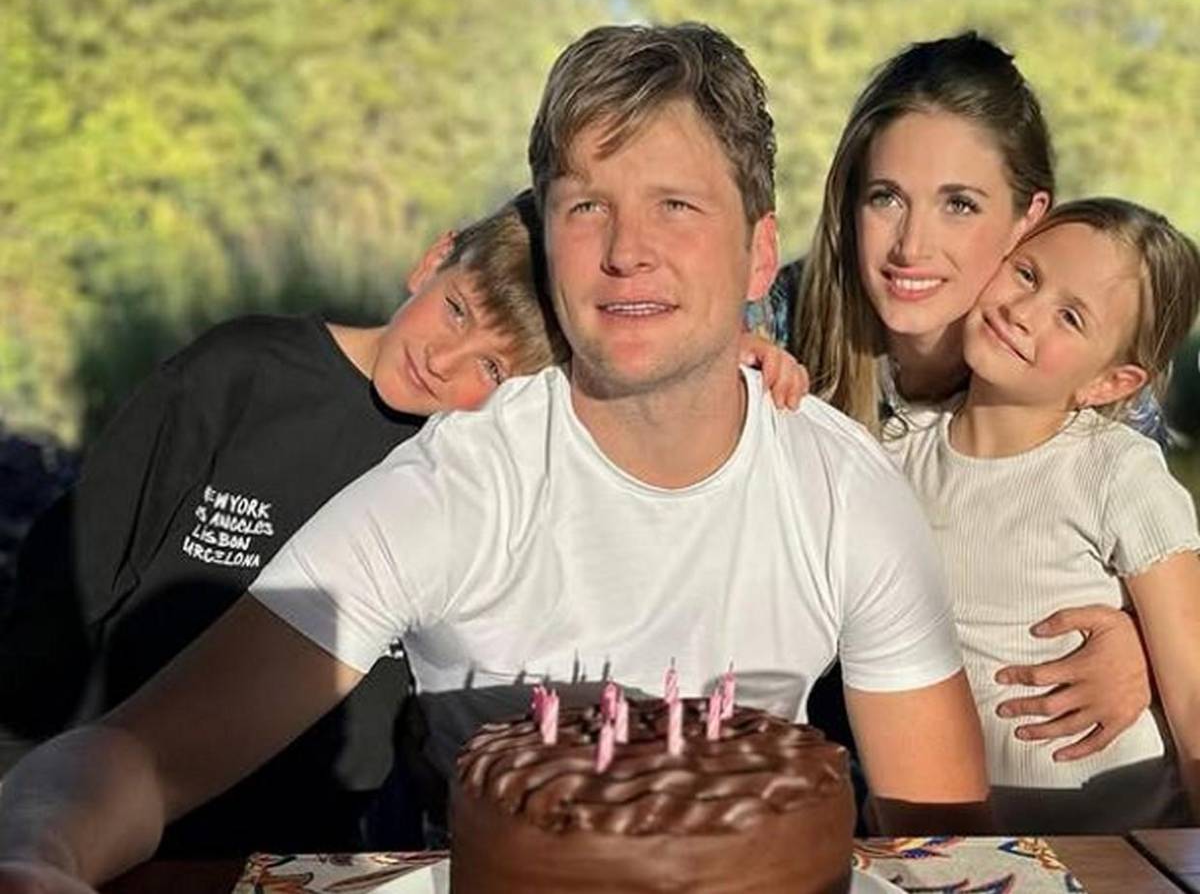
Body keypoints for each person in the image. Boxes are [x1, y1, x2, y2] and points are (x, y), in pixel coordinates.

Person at [0, 23, 987, 893]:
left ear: (759, 255)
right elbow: (145, 757)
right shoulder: (460, 482)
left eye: (676, 206)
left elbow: (945, 844)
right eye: (586, 206)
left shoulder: (842, 491)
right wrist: (41, 851)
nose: (626, 250)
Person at [0, 190, 800, 856]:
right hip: (119, 819)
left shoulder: (475, 464)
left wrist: (718, 361)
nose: (443, 362)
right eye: (455, 310)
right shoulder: (239, 374)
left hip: (323, 849)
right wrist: (32, 791)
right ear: (433, 259)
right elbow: (70, 578)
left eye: (492, 368)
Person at [763, 31, 1153, 765]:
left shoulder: (1082, 376)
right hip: (812, 752)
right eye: (886, 198)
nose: (911, 246)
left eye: (960, 204)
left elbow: (1160, 551)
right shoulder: (782, 321)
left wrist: (1145, 646)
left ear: (1029, 217)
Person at [883, 197, 1200, 831]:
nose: (1022, 311)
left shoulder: (1117, 471)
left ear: (1109, 384)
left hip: (1121, 850)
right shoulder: (895, 453)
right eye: (1026, 274)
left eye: (1070, 317)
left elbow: (1193, 691)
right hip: (945, 850)